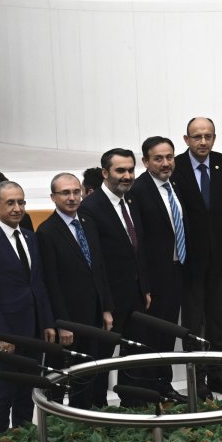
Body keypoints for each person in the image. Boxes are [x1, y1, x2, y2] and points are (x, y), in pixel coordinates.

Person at [0, 181, 55, 434]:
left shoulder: (30, 237)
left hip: (33, 330)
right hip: (6, 334)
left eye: (21, 202)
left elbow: (38, 283)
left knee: (27, 390)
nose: (18, 208)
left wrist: (48, 322)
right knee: (4, 392)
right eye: (10, 203)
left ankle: (24, 439)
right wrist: (3, 335)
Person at [171, 117, 222, 398]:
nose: (203, 142)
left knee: (218, 319)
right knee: (192, 323)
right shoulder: (175, 167)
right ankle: (196, 379)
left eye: (208, 136)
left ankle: (216, 374)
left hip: (221, 260)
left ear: (215, 138)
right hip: (189, 261)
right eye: (197, 136)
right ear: (186, 139)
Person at [36, 172, 114, 408]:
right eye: (65, 193)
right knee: (61, 376)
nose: (72, 197)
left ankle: (89, 417)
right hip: (68, 320)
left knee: (90, 371)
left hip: (93, 314)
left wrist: (106, 308)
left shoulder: (88, 223)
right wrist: (63, 323)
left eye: (75, 191)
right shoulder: (47, 231)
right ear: (53, 197)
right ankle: (59, 421)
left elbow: (99, 268)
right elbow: (50, 281)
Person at [78, 149, 151, 395]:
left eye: (131, 170)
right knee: (103, 358)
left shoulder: (131, 200)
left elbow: (138, 250)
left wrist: (145, 288)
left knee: (134, 355)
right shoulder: (90, 207)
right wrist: (105, 305)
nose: (127, 176)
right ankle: (98, 412)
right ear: (105, 173)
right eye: (121, 170)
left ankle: (131, 406)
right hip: (108, 300)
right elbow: (94, 261)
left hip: (136, 296)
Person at [129, 136, 188, 402]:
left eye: (169, 157)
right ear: (145, 161)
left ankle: (164, 385)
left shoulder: (173, 184)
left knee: (167, 333)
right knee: (152, 335)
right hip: (154, 277)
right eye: (158, 158)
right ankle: (152, 388)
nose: (166, 163)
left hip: (176, 270)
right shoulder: (139, 191)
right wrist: (145, 283)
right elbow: (138, 241)